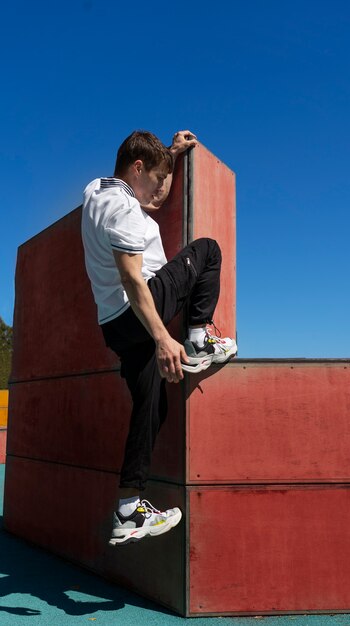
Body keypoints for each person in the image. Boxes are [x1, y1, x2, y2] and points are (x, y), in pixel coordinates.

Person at [81, 129, 237, 546]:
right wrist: (165, 339)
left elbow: (140, 170)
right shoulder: (124, 210)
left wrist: (167, 155)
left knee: (151, 408)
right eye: (156, 181)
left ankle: (128, 510)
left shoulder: (96, 191)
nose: (161, 193)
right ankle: (200, 338)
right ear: (136, 169)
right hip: (139, 308)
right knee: (207, 250)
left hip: (112, 327)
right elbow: (133, 280)